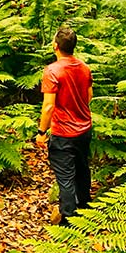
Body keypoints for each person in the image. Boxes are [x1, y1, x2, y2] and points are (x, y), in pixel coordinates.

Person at [34, 26, 93, 225]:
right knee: (82, 169)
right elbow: (89, 96)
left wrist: (42, 132)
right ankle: (85, 209)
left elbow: (49, 106)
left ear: (55, 46)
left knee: (66, 177)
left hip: (63, 133)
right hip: (84, 129)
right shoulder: (84, 68)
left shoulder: (52, 71)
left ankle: (68, 221)